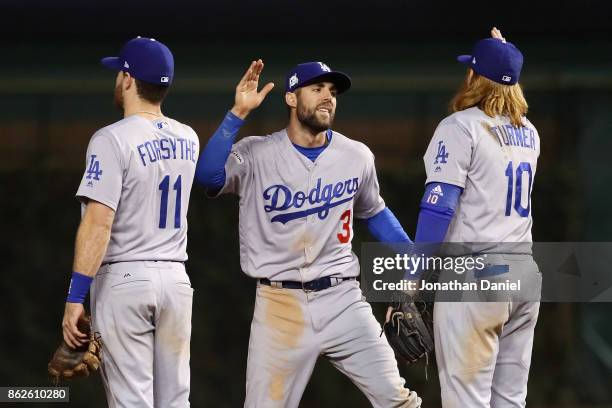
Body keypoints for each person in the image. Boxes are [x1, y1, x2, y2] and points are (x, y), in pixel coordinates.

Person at [196, 60, 422, 407]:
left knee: (399, 401)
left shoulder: (356, 155)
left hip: (343, 299)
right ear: (291, 99)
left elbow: (373, 211)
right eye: (316, 89)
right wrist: (237, 113)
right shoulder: (257, 153)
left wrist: (411, 256)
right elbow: (209, 177)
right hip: (278, 306)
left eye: (332, 92)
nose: (327, 97)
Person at [60, 37, 199, 407]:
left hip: (125, 281)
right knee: (175, 401)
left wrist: (75, 298)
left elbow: (97, 223)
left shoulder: (111, 138)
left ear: (126, 78)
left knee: (131, 402)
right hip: (176, 280)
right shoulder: (189, 137)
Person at [413, 28, 541, 406]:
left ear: (473, 77)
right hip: (523, 274)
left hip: (476, 275)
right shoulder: (530, 132)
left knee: (466, 400)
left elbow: (438, 206)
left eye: (471, 69)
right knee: (510, 401)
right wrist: (503, 55)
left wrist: (412, 278)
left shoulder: (460, 126)